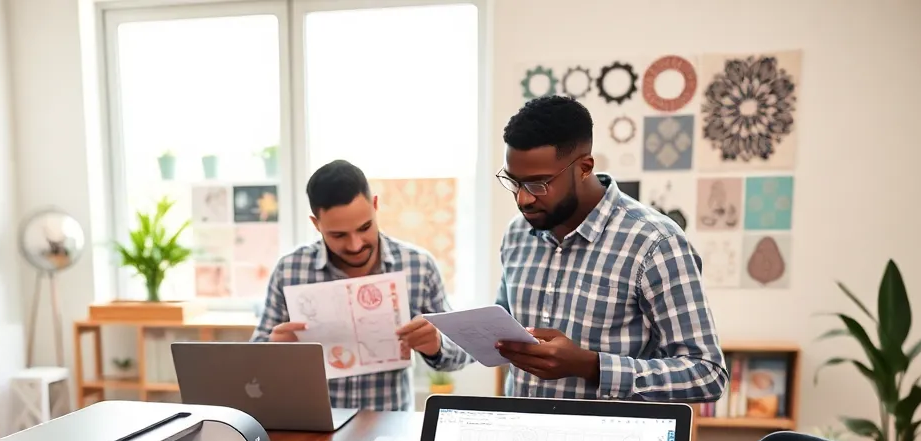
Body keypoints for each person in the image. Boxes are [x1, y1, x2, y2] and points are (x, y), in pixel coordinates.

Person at [492, 95, 727, 402]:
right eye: (514, 182)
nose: (523, 199)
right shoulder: (518, 233)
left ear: (585, 167)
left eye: (538, 184)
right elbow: (505, 326)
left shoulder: (655, 243)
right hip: (521, 439)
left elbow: (706, 374)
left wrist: (591, 366)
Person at [252, 160, 468, 411]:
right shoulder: (289, 270)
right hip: (315, 428)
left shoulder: (418, 266)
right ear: (316, 224)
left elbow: (461, 352)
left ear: (375, 206)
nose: (355, 245)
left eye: (364, 227)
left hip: (390, 429)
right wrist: (273, 351)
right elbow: (253, 368)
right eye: (338, 235)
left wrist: (436, 344)